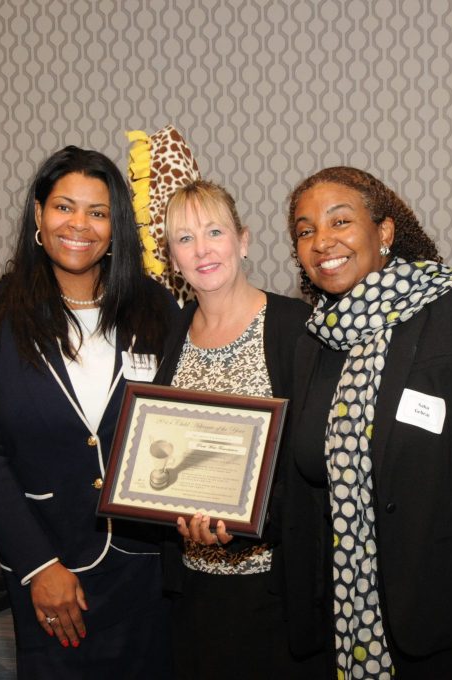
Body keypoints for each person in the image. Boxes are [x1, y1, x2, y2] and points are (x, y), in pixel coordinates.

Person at [280, 166, 452, 679]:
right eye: (305, 230)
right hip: (348, 610)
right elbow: (305, 480)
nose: (322, 241)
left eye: (340, 221)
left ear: (383, 231)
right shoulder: (313, 341)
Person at [0, 146, 178, 677]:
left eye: (98, 213)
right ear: (38, 215)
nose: (80, 225)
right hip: (47, 557)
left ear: (116, 225)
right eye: (64, 207)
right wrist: (37, 565)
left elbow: (183, 421)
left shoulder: (155, 308)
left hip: (143, 561)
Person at [151, 180, 323, 678]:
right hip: (193, 581)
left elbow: (316, 461)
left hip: (274, 581)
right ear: (173, 260)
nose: (201, 249)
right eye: (184, 239)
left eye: (213, 232)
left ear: (243, 241)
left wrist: (247, 529)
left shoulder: (296, 328)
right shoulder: (171, 335)